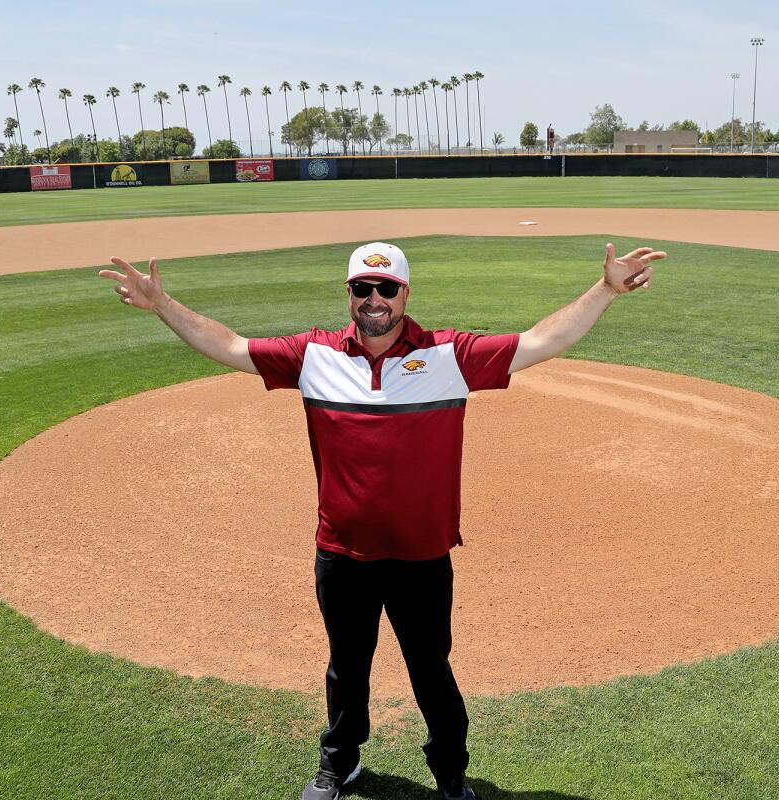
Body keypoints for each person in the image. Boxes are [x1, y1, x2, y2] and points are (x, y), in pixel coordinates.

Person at [99, 240, 666, 800]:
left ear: (404, 294)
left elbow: (543, 340)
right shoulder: (313, 355)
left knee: (431, 671)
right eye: (363, 288)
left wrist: (606, 289)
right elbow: (231, 346)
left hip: (422, 555)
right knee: (346, 668)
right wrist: (164, 306)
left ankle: (449, 772)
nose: (375, 300)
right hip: (342, 552)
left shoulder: (450, 354)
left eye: (386, 288)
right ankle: (338, 765)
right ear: (349, 294)